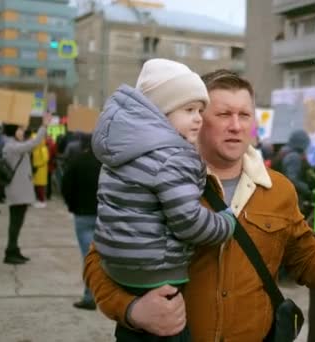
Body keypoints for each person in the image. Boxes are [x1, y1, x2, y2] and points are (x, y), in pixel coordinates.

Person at [83, 69, 315, 341]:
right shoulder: (156, 178)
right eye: (223, 114)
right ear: (196, 119)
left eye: (244, 115)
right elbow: (100, 258)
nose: (236, 125)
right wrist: (132, 310)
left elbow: (306, 258)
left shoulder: (278, 189)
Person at [92, 59, 236, 342]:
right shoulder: (173, 156)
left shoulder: (122, 151)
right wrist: (227, 223)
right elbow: (188, 222)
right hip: (157, 270)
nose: (199, 118)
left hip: (119, 267)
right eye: (189, 109)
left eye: (201, 110)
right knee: (171, 331)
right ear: (160, 112)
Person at [2, 113, 51, 265]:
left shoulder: (14, 144)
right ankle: (10, 252)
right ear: (13, 130)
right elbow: (34, 143)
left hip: (20, 190)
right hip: (17, 191)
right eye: (20, 129)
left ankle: (14, 249)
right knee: (15, 223)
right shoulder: (11, 146)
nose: (23, 132)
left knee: (17, 222)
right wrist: (44, 126)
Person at [61, 134, 101, 311]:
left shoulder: (76, 161)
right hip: (104, 216)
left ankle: (90, 296)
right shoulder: (106, 163)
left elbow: (66, 186)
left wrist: (72, 205)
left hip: (82, 216)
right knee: (105, 256)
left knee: (88, 257)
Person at [31, 132, 49, 208]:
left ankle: (42, 201)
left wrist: (38, 165)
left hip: (40, 170)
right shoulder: (36, 149)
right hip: (36, 169)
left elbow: (46, 159)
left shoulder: (43, 148)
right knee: (37, 186)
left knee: (40, 186)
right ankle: (39, 200)